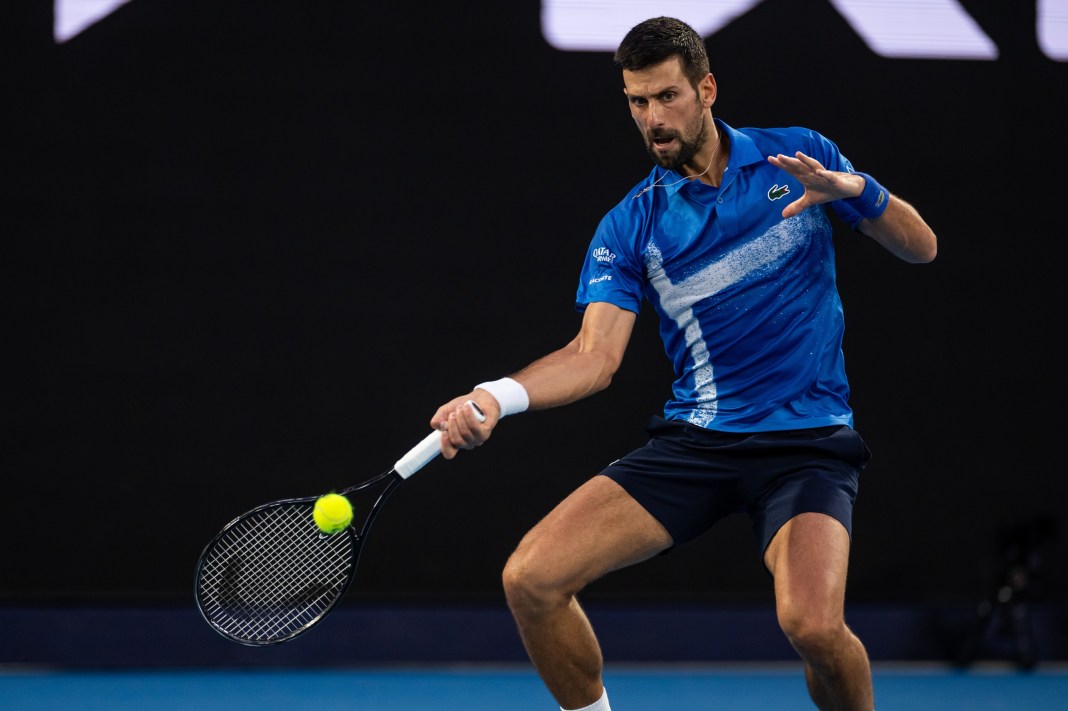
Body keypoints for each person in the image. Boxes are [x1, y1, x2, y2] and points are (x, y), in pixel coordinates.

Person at [429, 15, 936, 711]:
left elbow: (922, 247)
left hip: (806, 441)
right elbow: (593, 355)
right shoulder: (633, 224)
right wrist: (496, 395)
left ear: (707, 89)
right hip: (699, 443)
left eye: (666, 97)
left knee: (813, 625)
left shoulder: (800, 158)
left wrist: (859, 192)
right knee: (532, 578)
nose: (652, 119)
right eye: (637, 102)